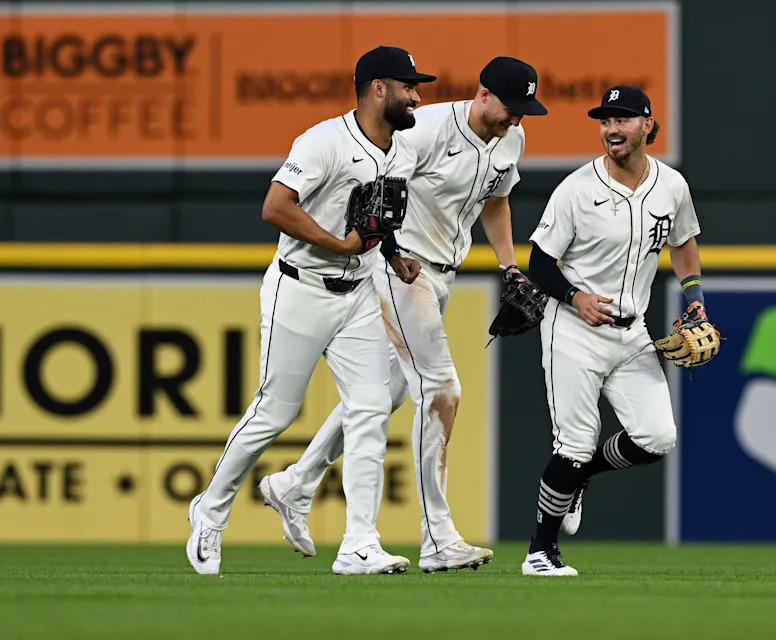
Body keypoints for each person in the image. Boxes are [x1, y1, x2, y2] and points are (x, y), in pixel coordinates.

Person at [258, 57, 548, 573]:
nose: (517, 119)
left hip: (443, 276)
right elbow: (376, 186)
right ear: (483, 94)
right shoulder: (429, 128)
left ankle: (294, 483)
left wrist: (509, 267)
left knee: (386, 394)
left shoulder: (511, 140)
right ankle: (437, 536)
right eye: (510, 107)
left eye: (524, 110)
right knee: (441, 388)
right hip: (402, 269)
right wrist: (385, 249)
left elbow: (496, 200)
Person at [186, 46, 436, 576]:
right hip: (299, 289)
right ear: (378, 89)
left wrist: (393, 255)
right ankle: (210, 511)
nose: (417, 95)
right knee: (274, 413)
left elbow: (375, 218)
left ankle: (359, 545)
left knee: (370, 409)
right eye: (408, 86)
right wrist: (339, 246)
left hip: (359, 296)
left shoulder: (404, 151)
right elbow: (275, 207)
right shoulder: (324, 140)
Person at [521, 85, 705, 576]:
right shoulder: (577, 188)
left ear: (647, 125)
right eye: (605, 120)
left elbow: (684, 243)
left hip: (632, 332)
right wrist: (574, 298)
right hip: (573, 328)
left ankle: (580, 480)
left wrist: (696, 305)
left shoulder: (672, 186)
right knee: (576, 442)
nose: (611, 129)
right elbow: (539, 261)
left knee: (656, 437)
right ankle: (541, 551)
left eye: (622, 119)